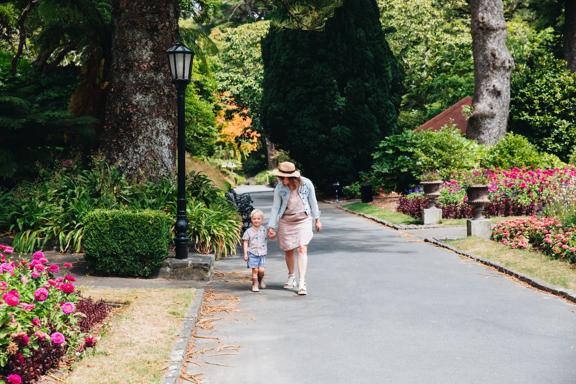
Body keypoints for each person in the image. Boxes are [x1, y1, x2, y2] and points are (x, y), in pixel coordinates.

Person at [267, 162, 321, 295]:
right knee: (288, 250)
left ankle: (302, 282)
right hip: (286, 221)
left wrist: (317, 219)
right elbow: (275, 207)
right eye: (282, 177)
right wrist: (271, 226)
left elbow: (313, 201)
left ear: (294, 177)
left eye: (287, 178)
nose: (284, 180)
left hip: (303, 219)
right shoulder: (279, 188)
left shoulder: (306, 184)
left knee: (302, 248)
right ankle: (291, 276)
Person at [242, 209, 268, 292]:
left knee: (261, 270)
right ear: (251, 219)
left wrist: (273, 233)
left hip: (262, 253)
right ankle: (255, 284)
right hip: (252, 253)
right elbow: (245, 242)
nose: (256, 220)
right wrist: (245, 254)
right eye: (254, 219)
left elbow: (271, 236)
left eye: (258, 219)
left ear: (262, 220)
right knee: (255, 270)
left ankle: (261, 280)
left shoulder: (264, 230)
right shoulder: (248, 231)